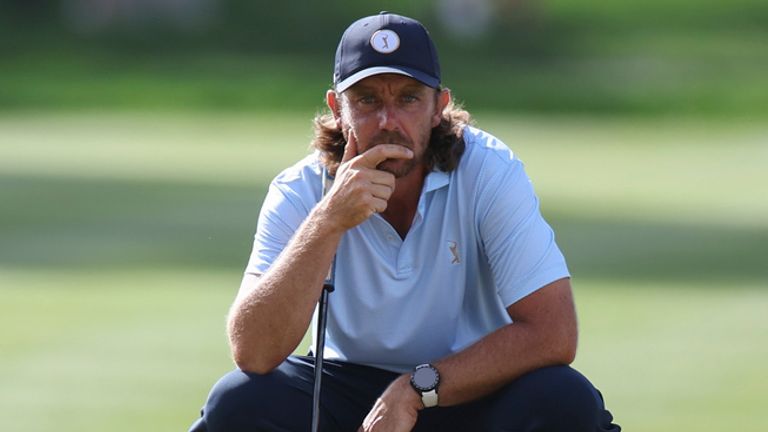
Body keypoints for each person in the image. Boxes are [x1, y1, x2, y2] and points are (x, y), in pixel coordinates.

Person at [189, 12, 621, 432]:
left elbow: (553, 334)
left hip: (469, 386)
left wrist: (414, 389)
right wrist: (329, 220)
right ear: (337, 107)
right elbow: (253, 352)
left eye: (408, 98)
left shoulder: (489, 170)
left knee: (565, 398)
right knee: (238, 400)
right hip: (345, 384)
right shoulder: (301, 189)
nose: (387, 122)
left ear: (439, 107)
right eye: (367, 100)